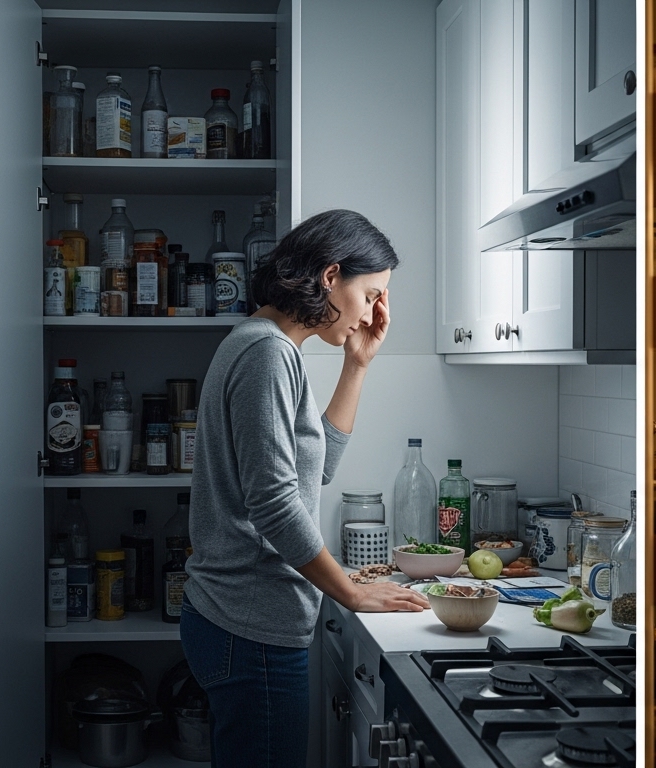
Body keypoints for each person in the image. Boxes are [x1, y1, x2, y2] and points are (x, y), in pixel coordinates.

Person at [179, 209, 428, 767]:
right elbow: (273, 504)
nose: (374, 311)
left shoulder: (274, 347)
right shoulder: (265, 351)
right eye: (371, 293)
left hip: (247, 623)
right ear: (330, 277)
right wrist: (353, 594)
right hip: (250, 627)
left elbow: (314, 473)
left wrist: (357, 366)